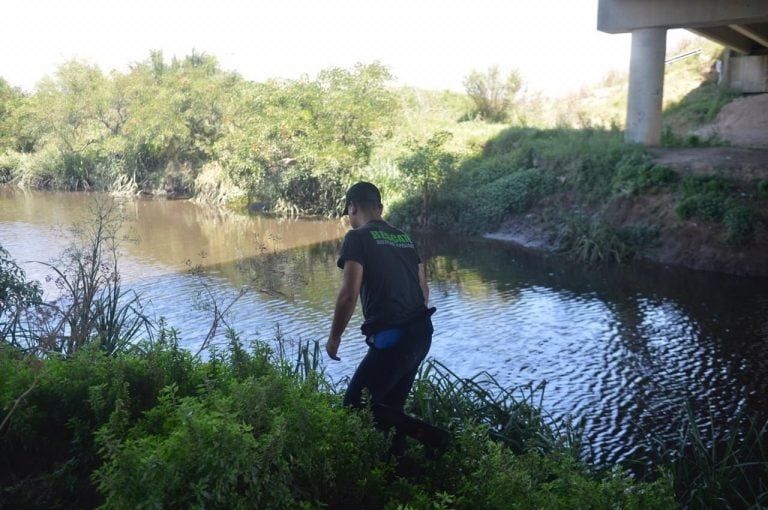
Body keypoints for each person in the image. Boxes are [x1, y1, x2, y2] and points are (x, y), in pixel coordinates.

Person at [326, 181, 438, 452]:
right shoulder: (404, 239)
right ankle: (400, 469)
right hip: (422, 332)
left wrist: (334, 337)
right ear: (381, 207)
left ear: (351, 207)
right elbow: (424, 290)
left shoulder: (358, 238)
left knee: (354, 407)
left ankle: (433, 438)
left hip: (394, 335)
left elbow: (348, 294)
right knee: (390, 407)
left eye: (348, 212)